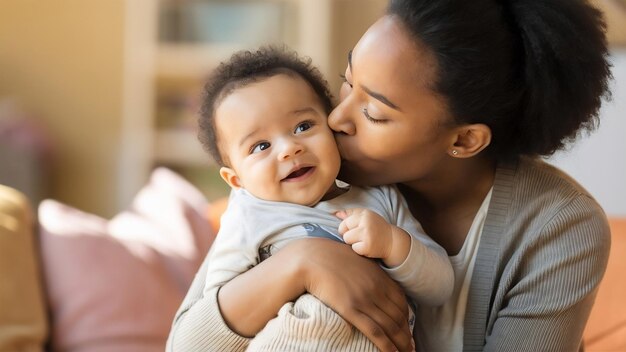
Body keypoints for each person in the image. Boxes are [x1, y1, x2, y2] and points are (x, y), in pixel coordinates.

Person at [168, 0, 613, 351]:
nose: (336, 118)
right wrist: (302, 262)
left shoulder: (560, 228)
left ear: (464, 140)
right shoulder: (300, 183)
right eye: (346, 81)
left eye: (374, 112)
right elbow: (185, 344)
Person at [170, 46, 452, 351]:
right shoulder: (248, 216)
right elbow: (206, 330)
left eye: (303, 126)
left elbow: (440, 287)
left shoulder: (380, 198)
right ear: (237, 180)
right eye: (260, 146)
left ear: (330, 127)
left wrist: (392, 243)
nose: (288, 149)